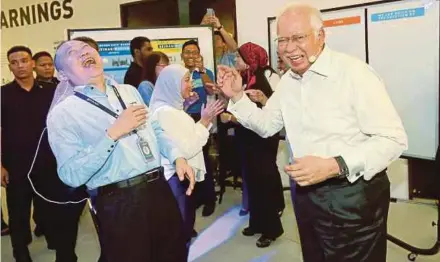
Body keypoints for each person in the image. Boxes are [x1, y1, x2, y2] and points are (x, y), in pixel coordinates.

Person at [217, 3, 408, 262]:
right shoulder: (288, 82)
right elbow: (266, 126)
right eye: (282, 40)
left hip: (352, 194)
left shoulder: (354, 74)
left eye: (298, 37)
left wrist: (335, 165)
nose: (289, 48)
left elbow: (393, 139)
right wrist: (237, 96)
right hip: (306, 194)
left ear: (321, 36)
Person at [47, 40, 193, 262]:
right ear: (62, 74)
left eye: (86, 48)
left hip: (159, 190)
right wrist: (113, 134)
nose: (84, 52)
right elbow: (70, 174)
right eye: (72, 53)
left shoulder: (127, 91)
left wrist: (176, 156)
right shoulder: (63, 114)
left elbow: (154, 128)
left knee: (173, 254)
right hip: (118, 202)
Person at [1, 45, 86, 262]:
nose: (20, 65)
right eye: (14, 62)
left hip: (49, 164)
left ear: (32, 63)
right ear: (10, 67)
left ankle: (58, 245)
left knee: (51, 209)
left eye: (24, 60)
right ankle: (21, 252)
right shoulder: (3, 95)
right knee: (18, 212)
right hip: (16, 165)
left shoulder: (50, 91)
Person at [149, 64, 224, 243]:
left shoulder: (169, 108)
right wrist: (205, 121)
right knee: (180, 230)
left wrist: (185, 107)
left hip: (177, 177)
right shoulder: (166, 113)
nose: (190, 84)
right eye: (185, 80)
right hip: (176, 178)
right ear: (172, 84)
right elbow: (187, 149)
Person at [220, 42, 285, 247]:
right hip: (247, 138)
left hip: (262, 140)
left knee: (263, 183)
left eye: (239, 58)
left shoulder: (268, 76)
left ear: (250, 59)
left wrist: (263, 99)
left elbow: (278, 110)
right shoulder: (248, 77)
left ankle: (271, 229)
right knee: (252, 182)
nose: (236, 61)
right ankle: (257, 223)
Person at [181, 40, 217, 217]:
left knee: (204, 159)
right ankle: (194, 197)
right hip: (182, 119)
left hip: (200, 118)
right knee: (187, 160)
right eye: (187, 52)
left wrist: (202, 72)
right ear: (182, 56)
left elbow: (211, 92)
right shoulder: (179, 74)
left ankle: (209, 198)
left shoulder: (205, 72)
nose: (191, 56)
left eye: (194, 52)